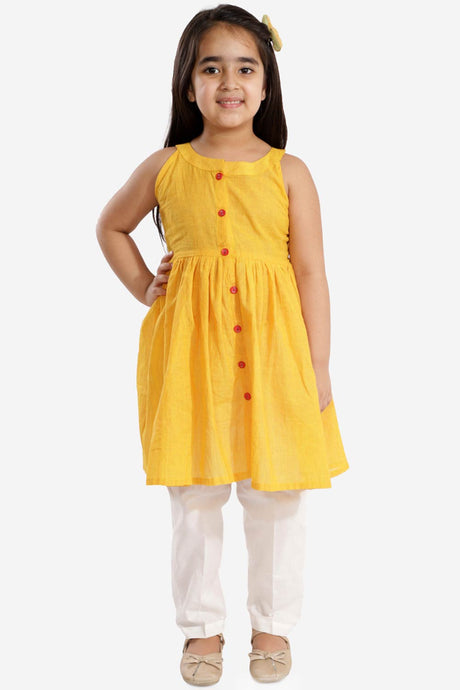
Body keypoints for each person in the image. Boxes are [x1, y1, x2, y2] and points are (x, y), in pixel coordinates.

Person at [96, 4, 349, 685]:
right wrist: (144, 286)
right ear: (188, 83)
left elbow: (311, 273)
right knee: (196, 497)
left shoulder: (289, 172)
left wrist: (318, 365)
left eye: (245, 68)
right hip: (191, 361)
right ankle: (201, 631)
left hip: (275, 359)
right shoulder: (165, 166)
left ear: (266, 86)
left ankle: (273, 627)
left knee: (278, 497)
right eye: (211, 68)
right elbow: (111, 227)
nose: (229, 82)